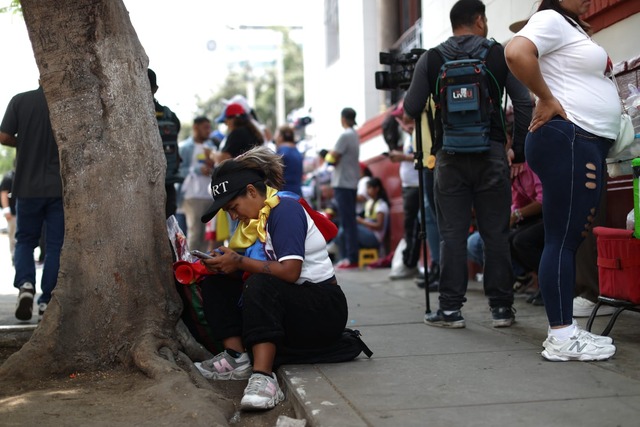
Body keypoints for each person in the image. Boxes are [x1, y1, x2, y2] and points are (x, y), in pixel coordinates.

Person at [403, 0, 533, 328]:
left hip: (449, 159)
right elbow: (523, 102)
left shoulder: (431, 58)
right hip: (491, 155)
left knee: (452, 235)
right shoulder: (497, 54)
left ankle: (449, 310)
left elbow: (411, 105)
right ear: (478, 20)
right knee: (496, 234)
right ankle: (502, 309)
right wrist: (517, 148)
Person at [193, 146, 348, 410]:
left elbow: (290, 272)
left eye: (233, 207)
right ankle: (237, 358)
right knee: (216, 279)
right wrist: (226, 262)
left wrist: (240, 261)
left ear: (252, 192)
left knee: (259, 283)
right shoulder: (259, 220)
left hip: (323, 310)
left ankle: (264, 378)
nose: (233, 216)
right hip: (295, 307)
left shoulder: (284, 210)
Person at [505, 0, 618, 361]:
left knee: (566, 238)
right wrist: (547, 97)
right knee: (562, 240)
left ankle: (566, 329)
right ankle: (561, 336)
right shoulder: (551, 18)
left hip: (578, 141)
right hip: (569, 139)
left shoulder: (568, 26)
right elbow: (516, 52)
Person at [0, 85, 64, 321]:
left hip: (26, 186)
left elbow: (4, 135)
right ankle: (47, 300)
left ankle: (26, 285)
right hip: (59, 188)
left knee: (25, 240)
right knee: (56, 245)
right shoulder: (67, 103)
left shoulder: (20, 101)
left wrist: (24, 143)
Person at [388, 106, 421, 280]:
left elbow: (421, 156)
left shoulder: (419, 133)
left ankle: (410, 263)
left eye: (403, 119)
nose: (401, 123)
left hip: (416, 186)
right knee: (410, 226)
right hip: (410, 185)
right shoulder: (410, 136)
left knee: (414, 226)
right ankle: (409, 262)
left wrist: (401, 157)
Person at [327, 107, 361, 270]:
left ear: (343, 119)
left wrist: (328, 157)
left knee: (347, 223)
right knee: (350, 221)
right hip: (351, 183)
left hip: (342, 183)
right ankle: (351, 255)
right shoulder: (355, 135)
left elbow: (332, 158)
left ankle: (351, 257)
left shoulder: (345, 135)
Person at [148, 68, 182, 219]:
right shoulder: (169, 115)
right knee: (169, 223)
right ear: (156, 89)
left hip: (144, 183)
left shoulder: (130, 117)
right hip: (168, 180)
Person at [178, 116, 215, 252]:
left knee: (207, 234)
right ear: (195, 127)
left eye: (209, 128)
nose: (208, 131)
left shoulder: (211, 147)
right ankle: (191, 264)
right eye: (205, 127)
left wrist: (212, 166)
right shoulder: (186, 147)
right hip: (192, 195)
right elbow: (179, 170)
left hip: (209, 195)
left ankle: (202, 264)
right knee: (194, 232)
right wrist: (197, 170)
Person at [336, 176, 389, 256]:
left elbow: (379, 226)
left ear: (376, 189)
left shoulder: (381, 205)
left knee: (349, 228)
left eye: (369, 188)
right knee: (345, 227)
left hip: (375, 237)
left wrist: (361, 221)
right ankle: (344, 255)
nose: (367, 191)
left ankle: (344, 256)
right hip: (367, 232)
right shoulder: (369, 203)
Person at [275, 124, 303, 196]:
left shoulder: (281, 151)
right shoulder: (297, 151)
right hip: (297, 193)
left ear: (281, 137)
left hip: (285, 194)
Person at [1, 166, 16, 264]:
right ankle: (15, 256)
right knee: (13, 236)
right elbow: (3, 194)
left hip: (26, 211)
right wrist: (6, 210)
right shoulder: (9, 177)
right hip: (13, 213)